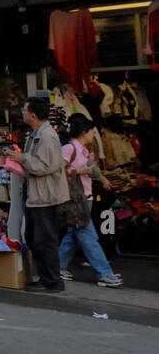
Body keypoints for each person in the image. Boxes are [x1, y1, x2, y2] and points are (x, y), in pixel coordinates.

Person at [4, 97, 69, 292]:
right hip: (35, 196)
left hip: (45, 197)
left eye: (24, 110)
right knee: (33, 238)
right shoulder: (36, 134)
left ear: (32, 115)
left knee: (44, 240)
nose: (22, 113)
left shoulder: (47, 136)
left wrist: (22, 158)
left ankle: (52, 281)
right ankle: (46, 277)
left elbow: (45, 166)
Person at [57, 113, 121, 288]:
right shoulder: (69, 149)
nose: (94, 134)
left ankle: (56, 267)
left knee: (73, 236)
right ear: (84, 132)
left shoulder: (83, 150)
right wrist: (80, 172)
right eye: (92, 131)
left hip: (85, 199)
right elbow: (58, 172)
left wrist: (101, 178)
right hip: (76, 201)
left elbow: (91, 169)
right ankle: (104, 273)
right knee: (89, 237)